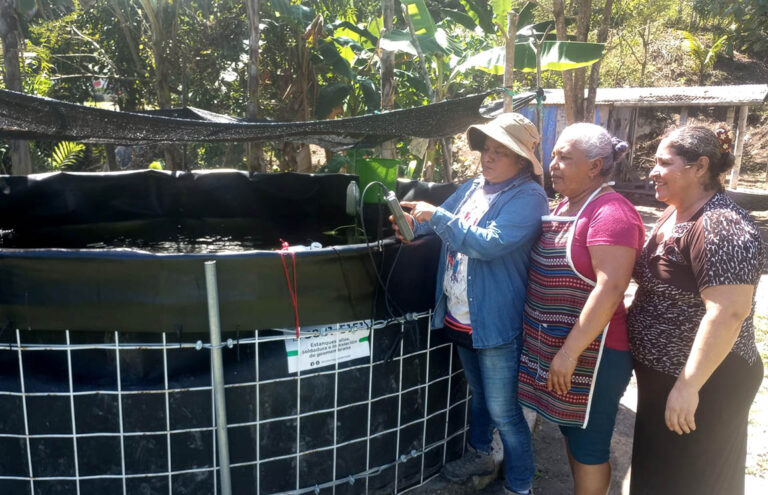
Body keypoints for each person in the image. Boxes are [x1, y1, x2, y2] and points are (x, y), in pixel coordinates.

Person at [391, 113, 548, 495]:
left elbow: (489, 243)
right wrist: (412, 227)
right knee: (478, 397)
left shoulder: (529, 197)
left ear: (521, 161)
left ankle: (520, 486)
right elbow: (438, 225)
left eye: (499, 152)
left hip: (495, 322)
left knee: (505, 414)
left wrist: (437, 216)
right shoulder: (473, 187)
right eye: (486, 149)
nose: (487, 158)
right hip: (461, 316)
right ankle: (480, 454)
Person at [626, 125, 764, 495]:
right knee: (661, 474)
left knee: (693, 480)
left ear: (700, 167)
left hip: (707, 381)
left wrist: (688, 386)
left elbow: (728, 313)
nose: (652, 172)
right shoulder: (677, 212)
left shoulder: (721, 226)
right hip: (669, 377)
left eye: (664, 163)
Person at [517, 123, 645, 495]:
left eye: (565, 158)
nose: (553, 164)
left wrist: (569, 353)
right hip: (562, 347)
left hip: (595, 353)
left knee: (589, 447)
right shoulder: (565, 205)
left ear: (594, 166)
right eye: (554, 155)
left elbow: (611, 288)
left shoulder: (611, 213)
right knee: (572, 435)